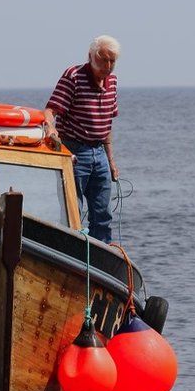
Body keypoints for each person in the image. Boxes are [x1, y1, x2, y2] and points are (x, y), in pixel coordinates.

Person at [44, 35, 121, 243]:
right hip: (75, 149)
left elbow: (107, 125)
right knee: (73, 209)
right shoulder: (74, 76)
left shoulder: (112, 82)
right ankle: (72, 249)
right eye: (104, 59)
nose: (108, 66)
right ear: (91, 56)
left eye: (112, 61)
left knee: (103, 211)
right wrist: (51, 130)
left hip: (99, 152)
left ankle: (100, 252)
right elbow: (51, 110)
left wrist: (111, 161)